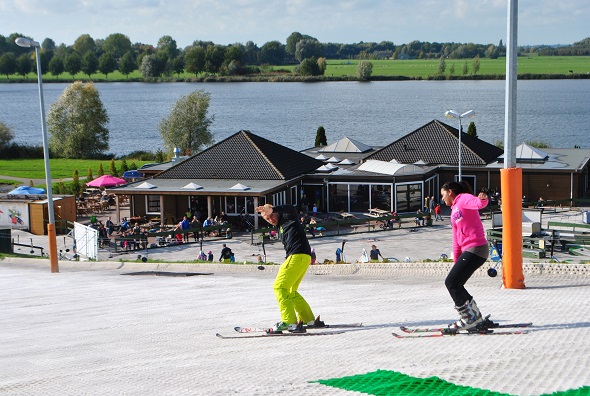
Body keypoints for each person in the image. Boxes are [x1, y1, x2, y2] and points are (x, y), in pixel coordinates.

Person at [256, 203, 322, 333]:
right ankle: (308, 319)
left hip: (298, 256)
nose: (271, 219)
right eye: (268, 219)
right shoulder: (281, 227)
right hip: (303, 257)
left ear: (276, 212)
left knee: (279, 287)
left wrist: (272, 209)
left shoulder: (288, 218)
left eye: (271, 216)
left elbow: (290, 208)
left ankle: (289, 322)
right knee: (291, 291)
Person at [440, 181, 489, 332]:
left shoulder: (463, 199)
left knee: (451, 283)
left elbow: (478, 203)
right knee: (456, 283)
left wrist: (483, 199)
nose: (442, 199)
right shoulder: (454, 211)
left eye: (443, 195)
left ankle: (468, 319)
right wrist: (456, 262)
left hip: (477, 247)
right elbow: (456, 240)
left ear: (450, 192)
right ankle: (476, 317)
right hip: (469, 250)